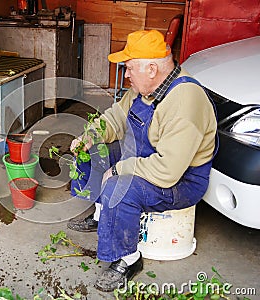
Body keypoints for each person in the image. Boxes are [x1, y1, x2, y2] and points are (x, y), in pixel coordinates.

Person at [67, 29, 218, 292]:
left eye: (129, 68)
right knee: (91, 152)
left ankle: (128, 258)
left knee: (119, 187)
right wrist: (90, 136)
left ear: (151, 69)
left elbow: (168, 170)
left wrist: (118, 169)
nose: (125, 75)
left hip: (181, 179)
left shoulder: (185, 100)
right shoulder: (145, 88)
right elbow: (116, 117)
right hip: (147, 158)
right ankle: (103, 216)